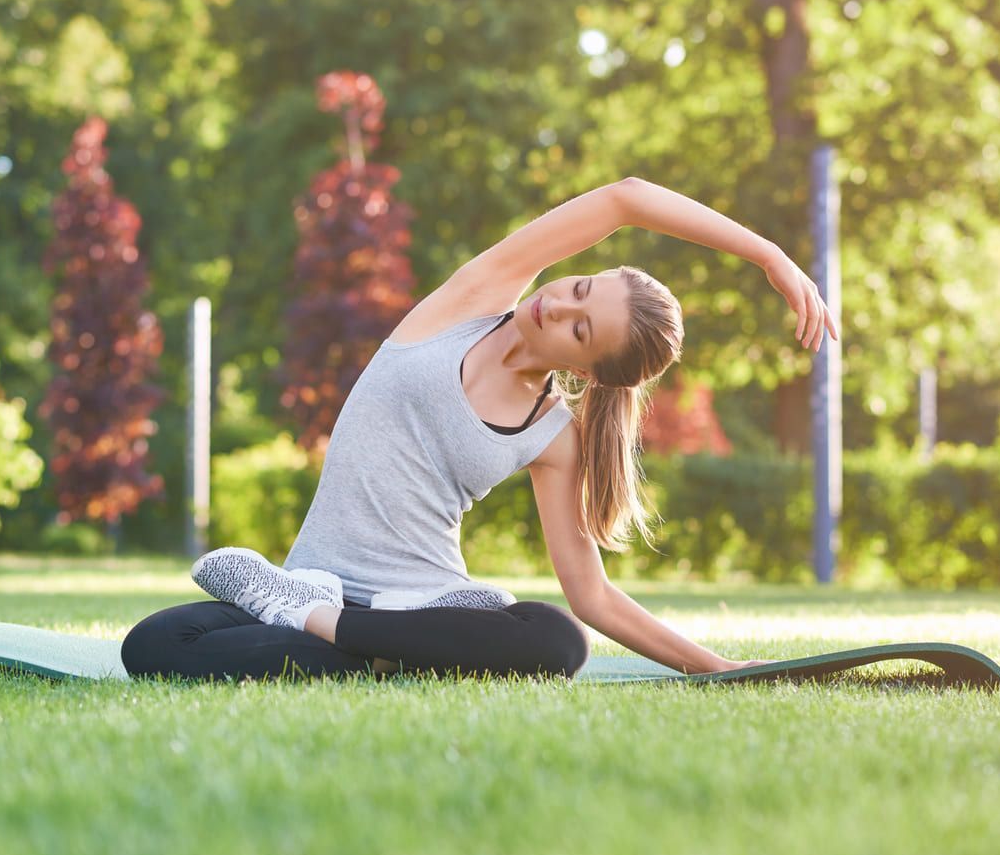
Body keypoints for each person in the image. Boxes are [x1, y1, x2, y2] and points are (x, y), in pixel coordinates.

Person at [121, 176, 839, 683]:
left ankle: (327, 630)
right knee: (156, 643)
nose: (556, 307)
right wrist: (769, 256)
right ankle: (343, 631)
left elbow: (590, 597)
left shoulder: (554, 436)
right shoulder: (474, 297)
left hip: (425, 604)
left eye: (580, 328)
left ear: (587, 369)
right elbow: (625, 197)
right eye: (579, 289)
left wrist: (716, 667)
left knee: (558, 639)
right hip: (320, 580)